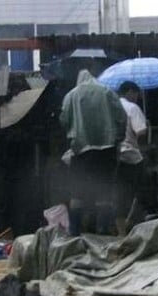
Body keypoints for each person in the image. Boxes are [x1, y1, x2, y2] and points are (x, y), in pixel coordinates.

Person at [59, 69, 127, 236]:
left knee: (77, 192)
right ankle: (103, 231)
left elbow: (64, 120)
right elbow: (121, 117)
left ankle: (75, 231)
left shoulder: (71, 95)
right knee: (104, 190)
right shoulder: (107, 92)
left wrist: (74, 134)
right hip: (106, 149)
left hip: (81, 150)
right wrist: (117, 138)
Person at [115, 81, 148, 236]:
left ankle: (121, 231)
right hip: (132, 156)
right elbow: (140, 131)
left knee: (119, 194)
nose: (137, 97)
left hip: (114, 157)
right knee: (139, 192)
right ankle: (133, 226)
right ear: (129, 92)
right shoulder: (132, 108)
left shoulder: (111, 106)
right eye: (136, 94)